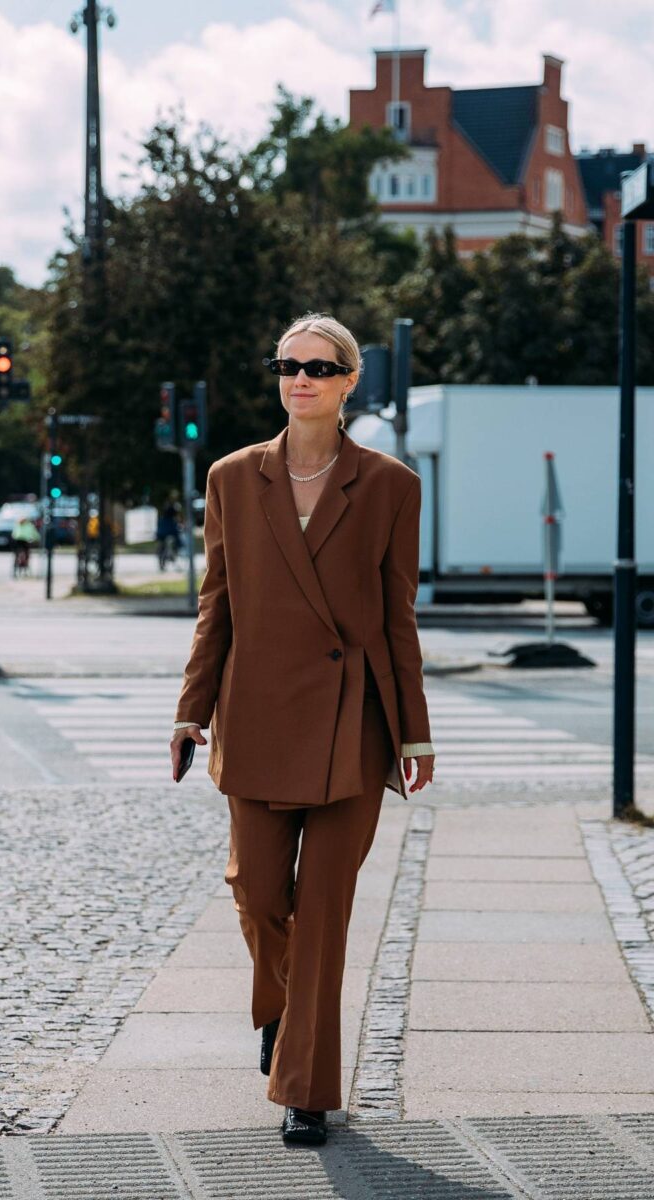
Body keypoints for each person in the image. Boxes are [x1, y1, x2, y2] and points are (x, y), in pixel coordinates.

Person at [170, 313, 435, 1147]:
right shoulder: (231, 477)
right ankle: (280, 1011)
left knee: (323, 909)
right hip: (253, 718)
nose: (301, 378)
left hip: (351, 725)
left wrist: (415, 735)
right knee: (256, 892)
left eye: (321, 366)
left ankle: (307, 1089)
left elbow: (398, 618)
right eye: (288, 364)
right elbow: (217, 608)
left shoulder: (390, 484)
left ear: (352, 380)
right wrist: (190, 708)